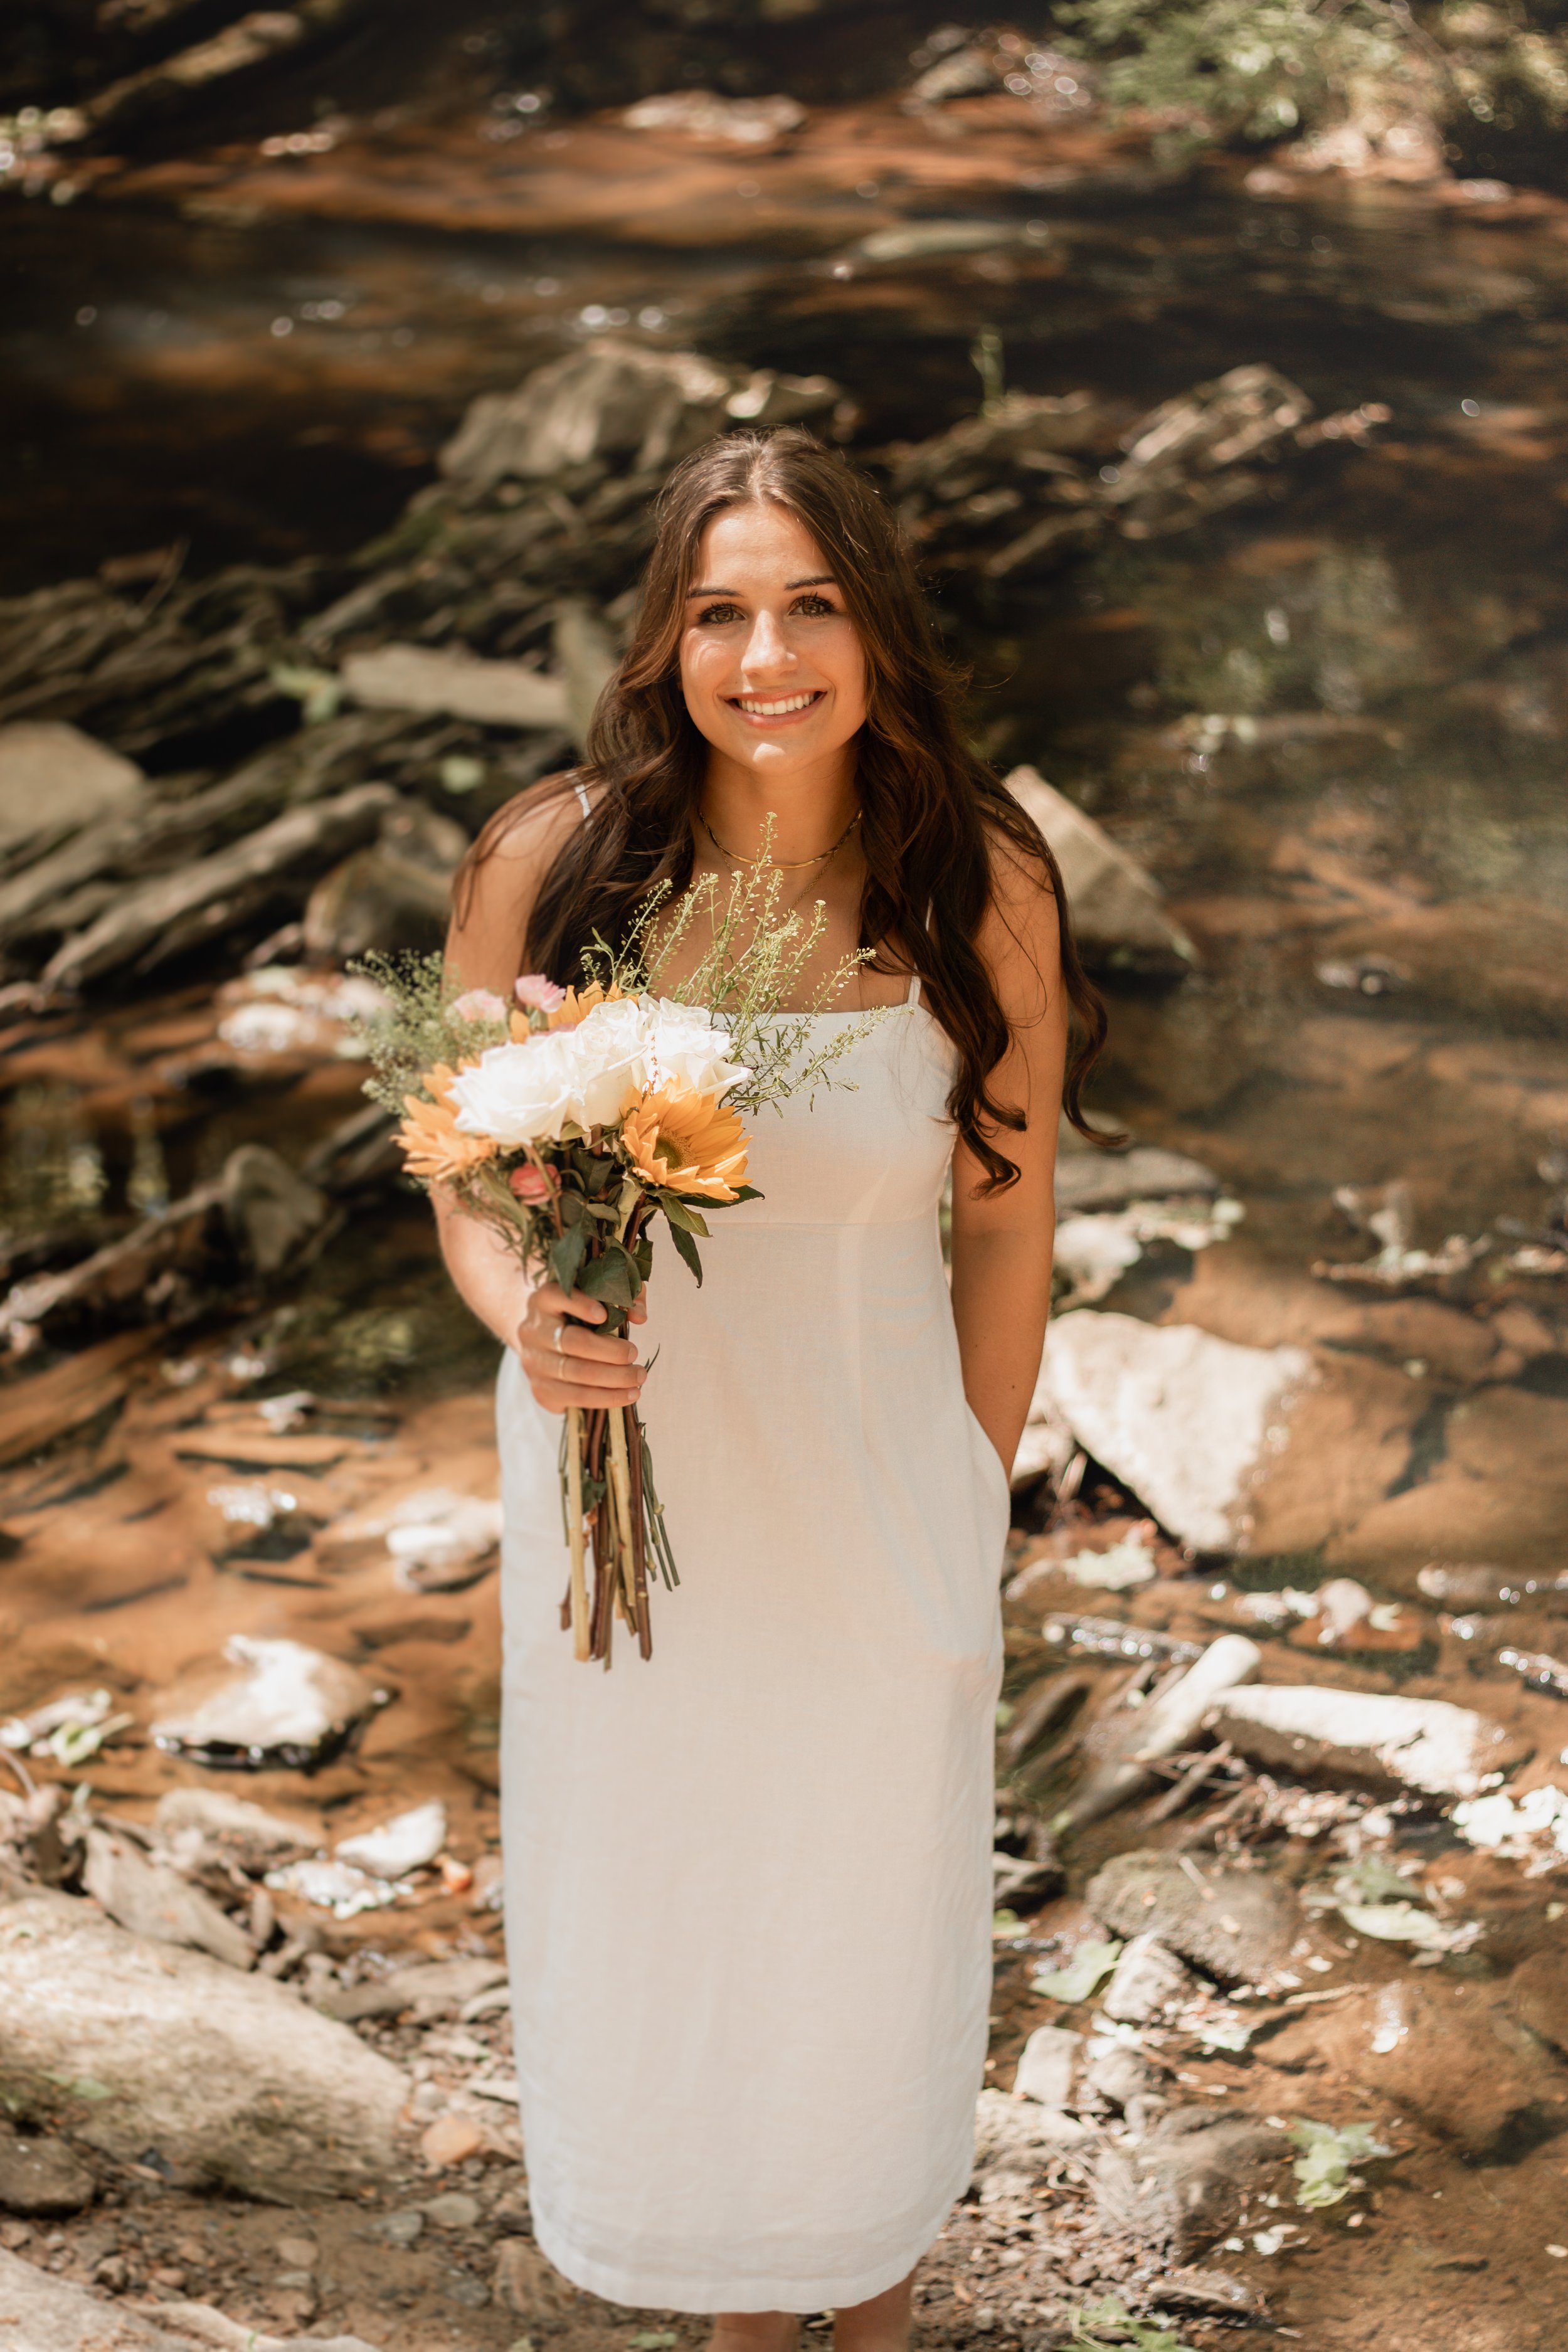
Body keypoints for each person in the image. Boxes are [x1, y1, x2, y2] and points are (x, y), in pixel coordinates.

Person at [438, 428, 1108, 2352]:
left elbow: (1003, 1223)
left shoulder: (974, 879)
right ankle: (717, 2299)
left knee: (863, 1910)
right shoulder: (550, 867)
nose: (766, 655)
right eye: (720, 611)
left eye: (809, 605)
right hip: (624, 1506)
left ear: (874, 627)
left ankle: (858, 2313)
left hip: (873, 1482)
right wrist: (516, 1315)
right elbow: (466, 1179)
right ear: (663, 643)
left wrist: (967, 1502)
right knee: (665, 1904)